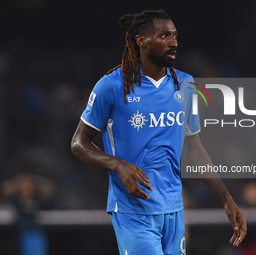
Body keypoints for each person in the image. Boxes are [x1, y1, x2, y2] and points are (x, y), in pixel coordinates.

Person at [71, 9, 247, 255]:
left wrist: (226, 200)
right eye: (164, 36)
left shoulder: (185, 84)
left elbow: (194, 150)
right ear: (141, 41)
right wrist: (118, 165)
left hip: (174, 208)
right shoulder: (111, 86)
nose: (173, 42)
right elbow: (79, 143)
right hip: (133, 210)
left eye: (174, 35)